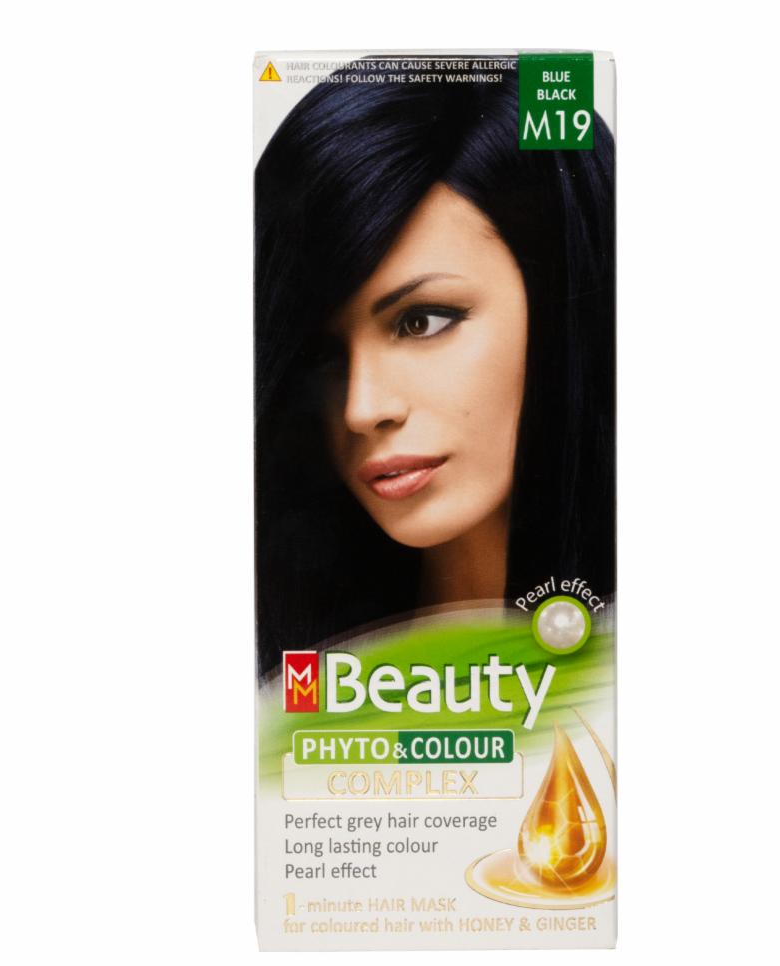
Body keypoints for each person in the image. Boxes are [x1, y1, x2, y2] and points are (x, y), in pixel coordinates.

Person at [255, 70, 615, 681]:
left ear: (560, 304)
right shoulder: (289, 684)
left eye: (421, 321)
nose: (362, 409)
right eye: (322, 355)